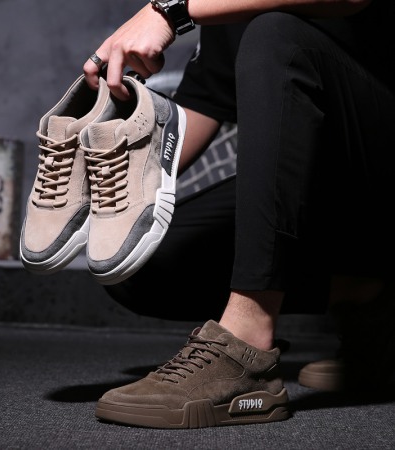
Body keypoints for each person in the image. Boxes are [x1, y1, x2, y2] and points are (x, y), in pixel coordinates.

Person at [72, 0, 395, 428]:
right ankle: (370, 302)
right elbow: (205, 103)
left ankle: (247, 347)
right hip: (335, 186)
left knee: (278, 37)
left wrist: (171, 11)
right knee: (140, 256)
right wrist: (97, 175)